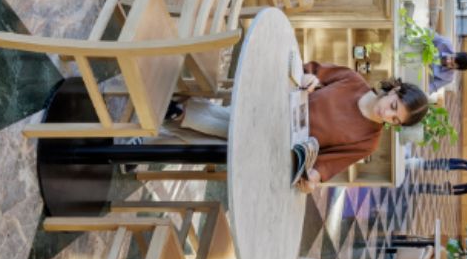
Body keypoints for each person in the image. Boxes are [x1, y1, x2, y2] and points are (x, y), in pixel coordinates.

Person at [172, 62, 429, 192]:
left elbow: (329, 164)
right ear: (394, 90)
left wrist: (314, 178)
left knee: (240, 133)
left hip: (278, 147)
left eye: (395, 120)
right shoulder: (351, 80)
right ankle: (176, 118)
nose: (386, 115)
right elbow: (309, 70)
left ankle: (179, 112)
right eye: (393, 107)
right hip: (273, 105)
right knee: (234, 136)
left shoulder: (369, 141)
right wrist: (309, 78)